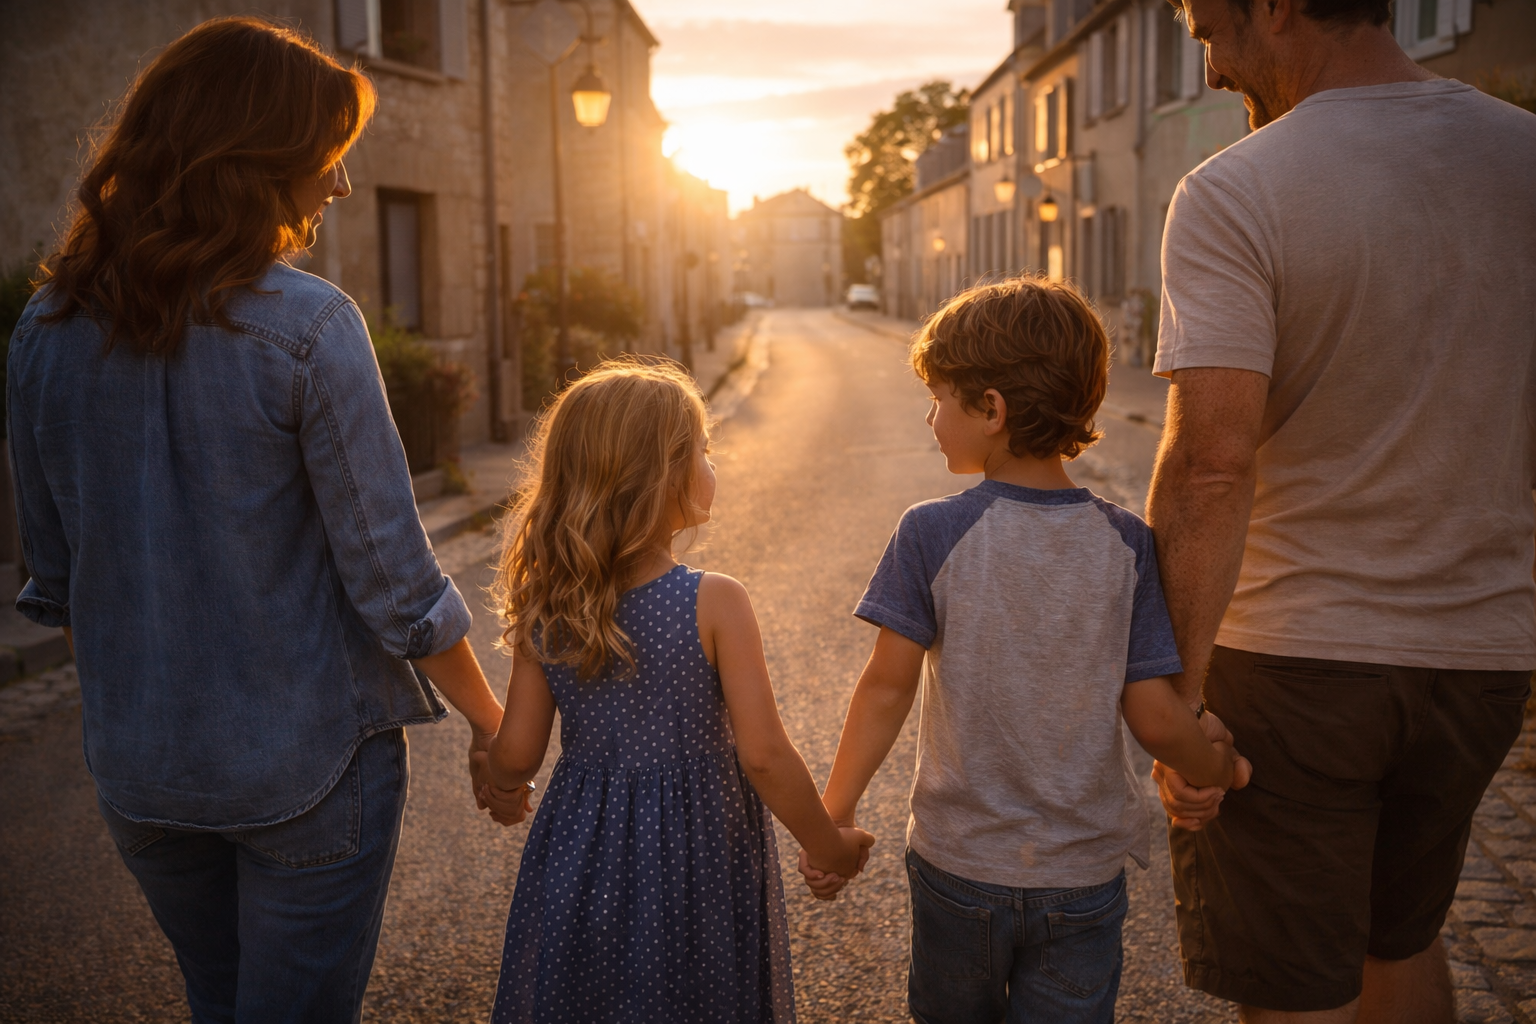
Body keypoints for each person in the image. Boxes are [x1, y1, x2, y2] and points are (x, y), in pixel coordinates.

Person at [10, 18, 514, 1020]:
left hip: (144, 780)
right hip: (309, 773)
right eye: (326, 155)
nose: (343, 184)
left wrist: (151, 715)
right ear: (255, 158)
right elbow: (397, 588)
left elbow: (63, 583)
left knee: (221, 999)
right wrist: (495, 728)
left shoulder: (43, 331)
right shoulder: (309, 327)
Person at [1144, 0, 1536, 1019]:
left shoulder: (1237, 189)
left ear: (1276, 7)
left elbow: (1212, 465)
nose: (1212, 68)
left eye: (1209, 32)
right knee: (1399, 939)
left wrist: (1178, 704)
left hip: (1295, 661)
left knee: (1293, 989)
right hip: (1482, 658)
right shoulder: (1524, 157)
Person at [801, 278, 1249, 1023]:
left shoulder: (931, 532)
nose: (929, 417)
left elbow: (885, 688)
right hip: (1081, 878)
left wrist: (833, 819)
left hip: (958, 866)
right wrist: (1218, 768)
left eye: (938, 399)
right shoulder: (1128, 546)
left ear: (991, 409)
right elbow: (1156, 716)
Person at [474, 360, 875, 1023]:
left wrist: (501, 783)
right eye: (703, 451)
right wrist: (828, 845)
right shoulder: (714, 601)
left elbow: (516, 752)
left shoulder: (548, 604)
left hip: (582, 852)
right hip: (696, 856)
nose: (712, 465)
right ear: (660, 476)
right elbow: (764, 755)